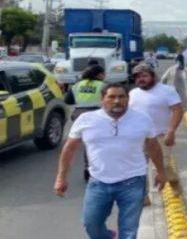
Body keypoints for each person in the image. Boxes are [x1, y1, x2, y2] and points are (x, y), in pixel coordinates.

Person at [54, 83, 166, 239]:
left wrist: (161, 172)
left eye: (121, 97)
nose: (117, 101)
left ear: (128, 99)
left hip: (133, 182)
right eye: (111, 97)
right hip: (98, 182)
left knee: (129, 231)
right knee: (91, 224)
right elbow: (69, 149)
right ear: (102, 99)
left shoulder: (142, 119)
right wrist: (61, 178)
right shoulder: (86, 119)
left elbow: (154, 147)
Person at [128, 64, 184, 198]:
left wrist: (171, 131)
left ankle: (173, 180)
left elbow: (177, 110)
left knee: (160, 165)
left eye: (144, 76)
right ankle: (143, 196)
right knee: (138, 168)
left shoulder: (167, 91)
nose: (141, 79)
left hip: (160, 135)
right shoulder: (132, 93)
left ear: (153, 76)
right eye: (137, 77)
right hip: (138, 137)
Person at [64, 65, 106, 182]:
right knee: (98, 143)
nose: (105, 76)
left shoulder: (77, 85)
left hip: (79, 115)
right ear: (99, 75)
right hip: (97, 114)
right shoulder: (103, 85)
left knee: (88, 143)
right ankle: (95, 169)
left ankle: (88, 170)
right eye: (103, 74)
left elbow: (68, 101)